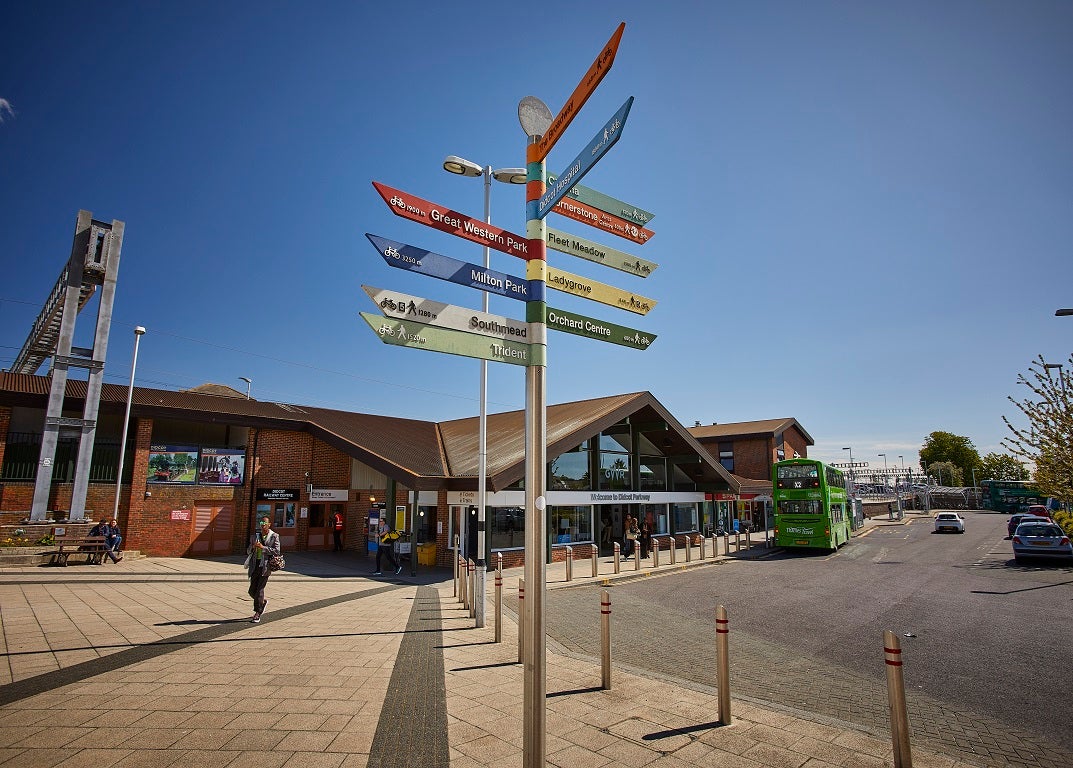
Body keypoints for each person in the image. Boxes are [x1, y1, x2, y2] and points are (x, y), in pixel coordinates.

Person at [245, 515, 280, 623]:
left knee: (260, 589)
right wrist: (253, 547)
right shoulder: (255, 536)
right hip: (255, 565)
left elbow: (277, 551)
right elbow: (248, 551)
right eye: (261, 523)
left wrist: (263, 548)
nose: (263, 525)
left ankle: (257, 613)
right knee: (252, 591)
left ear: (269, 524)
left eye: (265, 523)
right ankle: (262, 602)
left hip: (265, 566)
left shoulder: (274, 536)